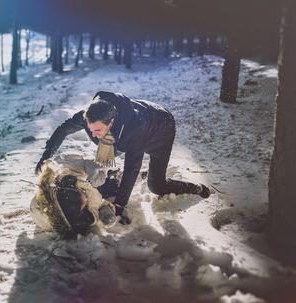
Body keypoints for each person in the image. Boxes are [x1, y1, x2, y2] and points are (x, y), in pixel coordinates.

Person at [35, 91, 210, 223]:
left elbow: (131, 168)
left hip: (160, 128)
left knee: (156, 185)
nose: (93, 134)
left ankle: (196, 188)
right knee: (104, 158)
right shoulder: (89, 115)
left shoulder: (135, 128)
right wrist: (45, 157)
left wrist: (119, 205)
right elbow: (63, 130)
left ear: (111, 123)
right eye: (90, 129)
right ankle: (113, 176)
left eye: (97, 130)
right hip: (122, 133)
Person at [30, 156, 118, 237]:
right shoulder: (84, 219)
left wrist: (89, 166)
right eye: (82, 204)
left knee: (108, 184)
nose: (85, 197)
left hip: (63, 193)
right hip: (52, 214)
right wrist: (106, 211)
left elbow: (67, 162)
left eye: (79, 192)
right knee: (113, 188)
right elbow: (96, 214)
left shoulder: (59, 175)